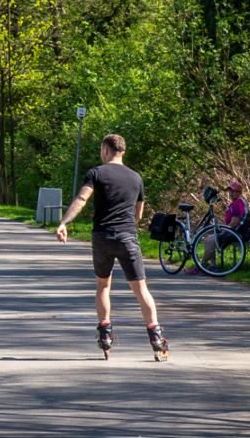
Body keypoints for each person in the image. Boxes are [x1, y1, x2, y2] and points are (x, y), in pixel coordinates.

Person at [55, 134, 168, 359]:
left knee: (103, 286)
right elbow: (138, 214)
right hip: (127, 237)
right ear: (123, 152)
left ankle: (105, 336)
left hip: (102, 237)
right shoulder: (136, 178)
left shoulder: (96, 173)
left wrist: (64, 222)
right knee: (141, 289)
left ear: (106, 150)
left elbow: (81, 199)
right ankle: (156, 339)